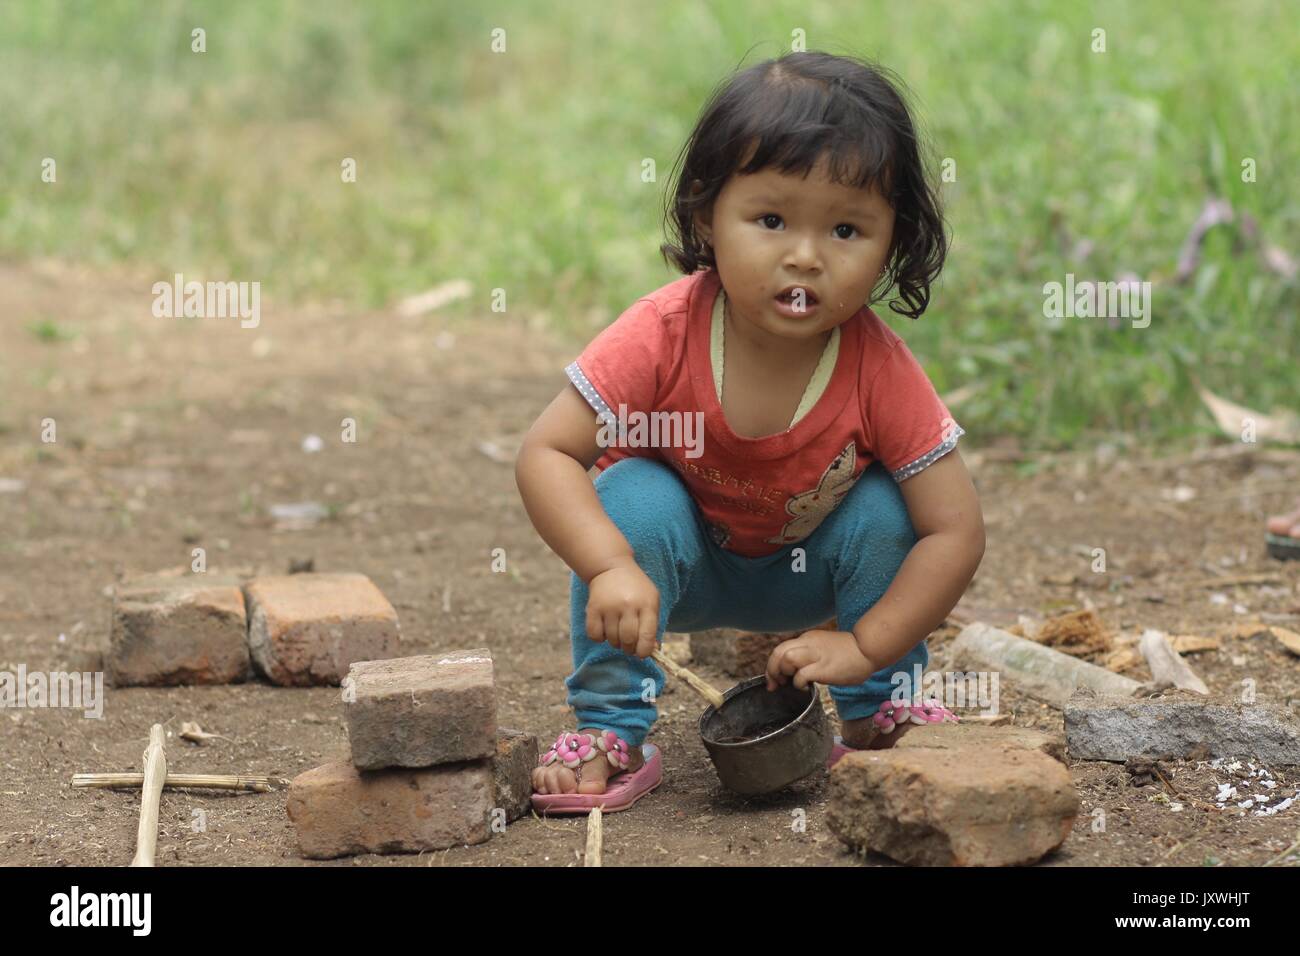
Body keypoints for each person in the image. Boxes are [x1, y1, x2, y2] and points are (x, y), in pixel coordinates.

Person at [515, 51, 985, 814]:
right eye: (770, 220)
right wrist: (607, 566)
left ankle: (880, 711)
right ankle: (611, 728)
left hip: (814, 569)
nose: (804, 254)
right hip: (676, 566)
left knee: (888, 511)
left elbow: (956, 531)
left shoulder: (878, 368)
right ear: (707, 216)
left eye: (846, 229)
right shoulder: (663, 334)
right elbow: (547, 451)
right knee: (631, 491)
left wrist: (867, 646)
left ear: (893, 243)